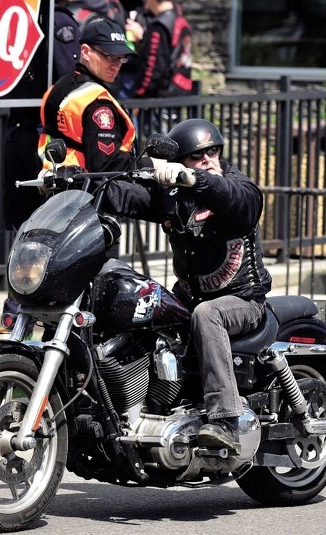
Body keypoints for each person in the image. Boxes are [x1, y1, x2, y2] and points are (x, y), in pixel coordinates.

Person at [105, 118, 272, 452]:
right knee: (137, 303)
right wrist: (76, 183)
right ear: (179, 162)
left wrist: (195, 177)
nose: (208, 159)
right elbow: (125, 195)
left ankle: (225, 420)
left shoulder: (237, 188)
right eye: (198, 156)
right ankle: (141, 408)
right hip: (189, 295)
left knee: (207, 314)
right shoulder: (174, 197)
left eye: (213, 151)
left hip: (242, 299)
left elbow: (238, 201)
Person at [2, 0, 93, 233]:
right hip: (46, 140)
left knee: (24, 229)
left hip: (18, 130)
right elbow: (72, 85)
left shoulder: (21, 10)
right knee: (53, 231)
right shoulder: (58, 21)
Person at [38, 16, 137, 173]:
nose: (116, 65)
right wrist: (149, 164)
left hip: (56, 184)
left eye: (121, 58)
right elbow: (106, 165)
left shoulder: (56, 89)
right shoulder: (97, 102)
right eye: (110, 57)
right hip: (90, 191)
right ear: (85, 52)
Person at [134, 0, 193, 100]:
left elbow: (153, 69)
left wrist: (140, 95)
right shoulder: (182, 22)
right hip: (182, 92)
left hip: (162, 98)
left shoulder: (159, 26)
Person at [105, 0, 151, 99]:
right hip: (119, 71)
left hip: (147, 73)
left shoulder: (156, 3)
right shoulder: (111, 2)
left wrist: (143, 36)